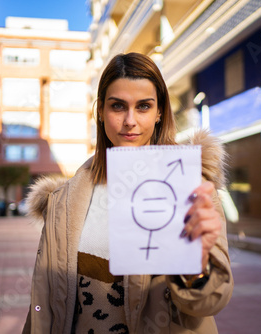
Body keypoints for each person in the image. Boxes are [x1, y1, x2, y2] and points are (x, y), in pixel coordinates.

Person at [22, 52, 233, 334]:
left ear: (159, 112)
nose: (130, 120)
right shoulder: (63, 200)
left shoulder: (190, 185)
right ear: (100, 111)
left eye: (144, 106)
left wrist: (196, 267)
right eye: (118, 106)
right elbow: (44, 306)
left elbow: (207, 304)